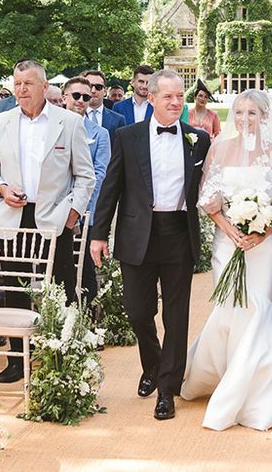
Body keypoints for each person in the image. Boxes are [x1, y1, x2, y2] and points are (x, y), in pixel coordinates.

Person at [181, 90, 272, 430]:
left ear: (264, 117)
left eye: (252, 113)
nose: (244, 119)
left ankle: (260, 392)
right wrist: (230, 229)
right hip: (227, 246)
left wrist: (259, 233)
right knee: (229, 310)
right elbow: (207, 200)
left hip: (265, 248)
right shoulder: (219, 149)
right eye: (239, 112)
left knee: (260, 309)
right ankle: (228, 377)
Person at [90, 70, 210, 421]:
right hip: (137, 233)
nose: (175, 102)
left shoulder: (198, 140)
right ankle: (153, 364)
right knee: (138, 311)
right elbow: (111, 187)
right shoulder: (127, 137)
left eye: (179, 97)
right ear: (152, 98)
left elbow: (211, 186)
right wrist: (99, 234)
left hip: (178, 233)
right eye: (168, 97)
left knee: (177, 315)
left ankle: (167, 389)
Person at [0, 60, 95, 383]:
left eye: (28, 83)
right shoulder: (2, 122)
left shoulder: (69, 122)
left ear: (45, 87)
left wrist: (71, 215)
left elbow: (86, 177)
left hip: (55, 218)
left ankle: (67, 352)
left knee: (62, 286)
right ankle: (18, 359)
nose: (21, 90)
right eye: (17, 84)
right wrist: (1, 189)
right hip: (12, 214)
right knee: (13, 287)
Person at [63, 76, 111, 304]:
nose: (81, 100)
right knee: (60, 269)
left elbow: (99, 175)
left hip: (87, 212)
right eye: (76, 96)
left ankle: (88, 323)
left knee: (86, 268)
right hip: (56, 211)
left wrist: (79, 207)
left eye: (86, 97)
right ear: (65, 98)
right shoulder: (53, 128)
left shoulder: (100, 134)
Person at [83, 69, 126, 148]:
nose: (93, 90)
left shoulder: (118, 120)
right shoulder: (74, 117)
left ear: (105, 91)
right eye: (90, 86)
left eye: (98, 87)